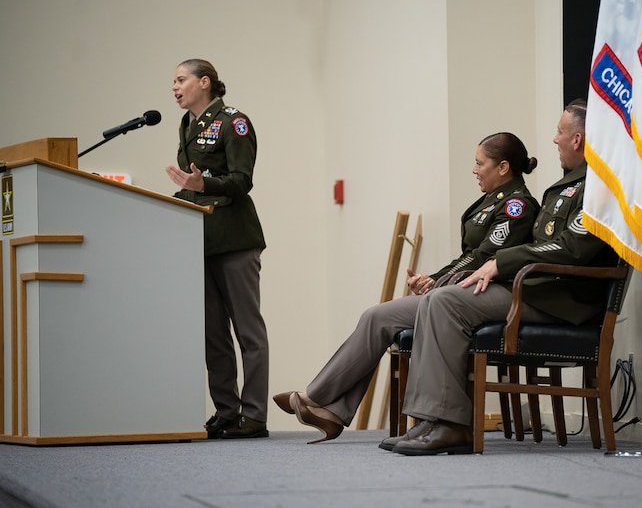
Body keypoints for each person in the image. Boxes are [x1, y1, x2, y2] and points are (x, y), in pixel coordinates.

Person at [273, 132, 540, 443]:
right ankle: (330, 413)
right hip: (461, 291)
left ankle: (314, 398)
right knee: (376, 316)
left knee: (383, 317)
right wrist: (432, 278)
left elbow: (483, 258)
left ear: (504, 167)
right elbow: (469, 257)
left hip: (483, 298)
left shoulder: (517, 206)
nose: (474, 169)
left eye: (480, 163)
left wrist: (437, 281)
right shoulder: (490, 202)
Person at [386, 99, 619, 455]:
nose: (554, 139)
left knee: (445, 301)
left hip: (561, 301)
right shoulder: (569, 185)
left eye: (560, 132)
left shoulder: (600, 185)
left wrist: (502, 263)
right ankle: (431, 420)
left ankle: (451, 425)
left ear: (578, 139)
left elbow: (574, 249)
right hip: (537, 289)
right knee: (437, 298)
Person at [165, 58, 270, 439]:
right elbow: (195, 182)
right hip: (201, 239)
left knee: (248, 331)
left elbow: (242, 181)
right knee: (213, 332)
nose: (174, 87)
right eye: (172, 82)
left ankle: (254, 415)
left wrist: (202, 185)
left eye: (181, 80)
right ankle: (227, 410)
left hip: (235, 238)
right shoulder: (187, 124)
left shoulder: (233, 121)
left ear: (204, 82)